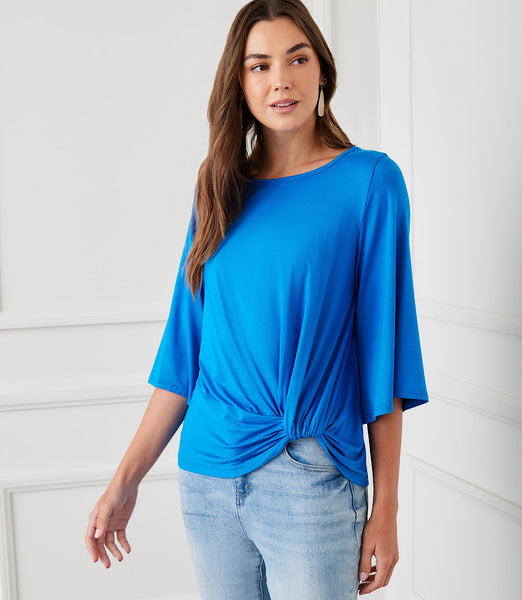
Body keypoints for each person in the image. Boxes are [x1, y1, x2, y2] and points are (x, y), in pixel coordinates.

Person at [84, 1, 429, 598]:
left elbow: (384, 355)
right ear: (239, 83)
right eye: (259, 65)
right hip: (207, 479)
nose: (280, 80)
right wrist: (124, 480)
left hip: (311, 478)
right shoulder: (218, 188)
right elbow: (184, 356)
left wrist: (387, 509)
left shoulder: (370, 182)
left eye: (297, 59)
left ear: (322, 70)